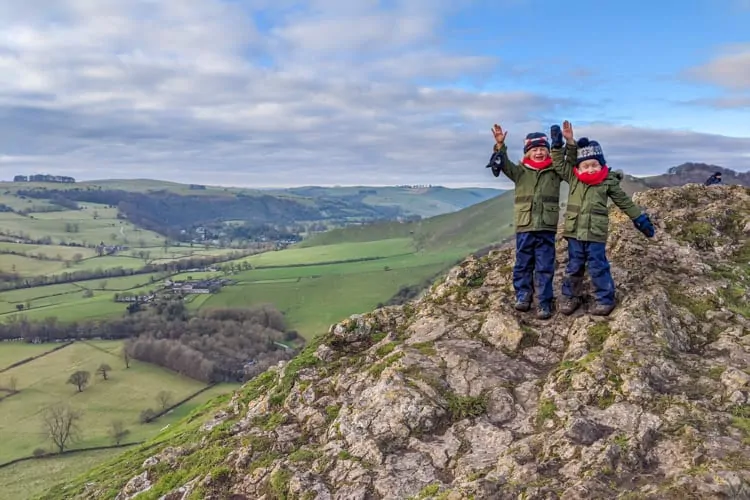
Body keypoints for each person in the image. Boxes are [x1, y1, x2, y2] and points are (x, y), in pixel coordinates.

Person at [549, 121, 655, 316]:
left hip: (595, 234)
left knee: (598, 266)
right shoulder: (573, 178)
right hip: (574, 233)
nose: (590, 169)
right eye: (586, 165)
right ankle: (570, 296)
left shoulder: (608, 182)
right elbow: (558, 163)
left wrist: (640, 220)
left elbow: (625, 202)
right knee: (574, 266)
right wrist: (559, 145)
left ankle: (604, 299)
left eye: (594, 165)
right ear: (579, 167)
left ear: (602, 164)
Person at [486, 124, 562, 320]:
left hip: (546, 226)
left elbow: (567, 163)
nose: (538, 152)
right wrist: (500, 145)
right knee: (523, 263)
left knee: (545, 265)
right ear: (527, 153)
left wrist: (559, 145)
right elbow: (503, 164)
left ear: (548, 152)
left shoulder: (555, 171)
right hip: (525, 226)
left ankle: (544, 301)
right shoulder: (519, 172)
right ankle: (523, 295)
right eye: (534, 149)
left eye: (542, 149)